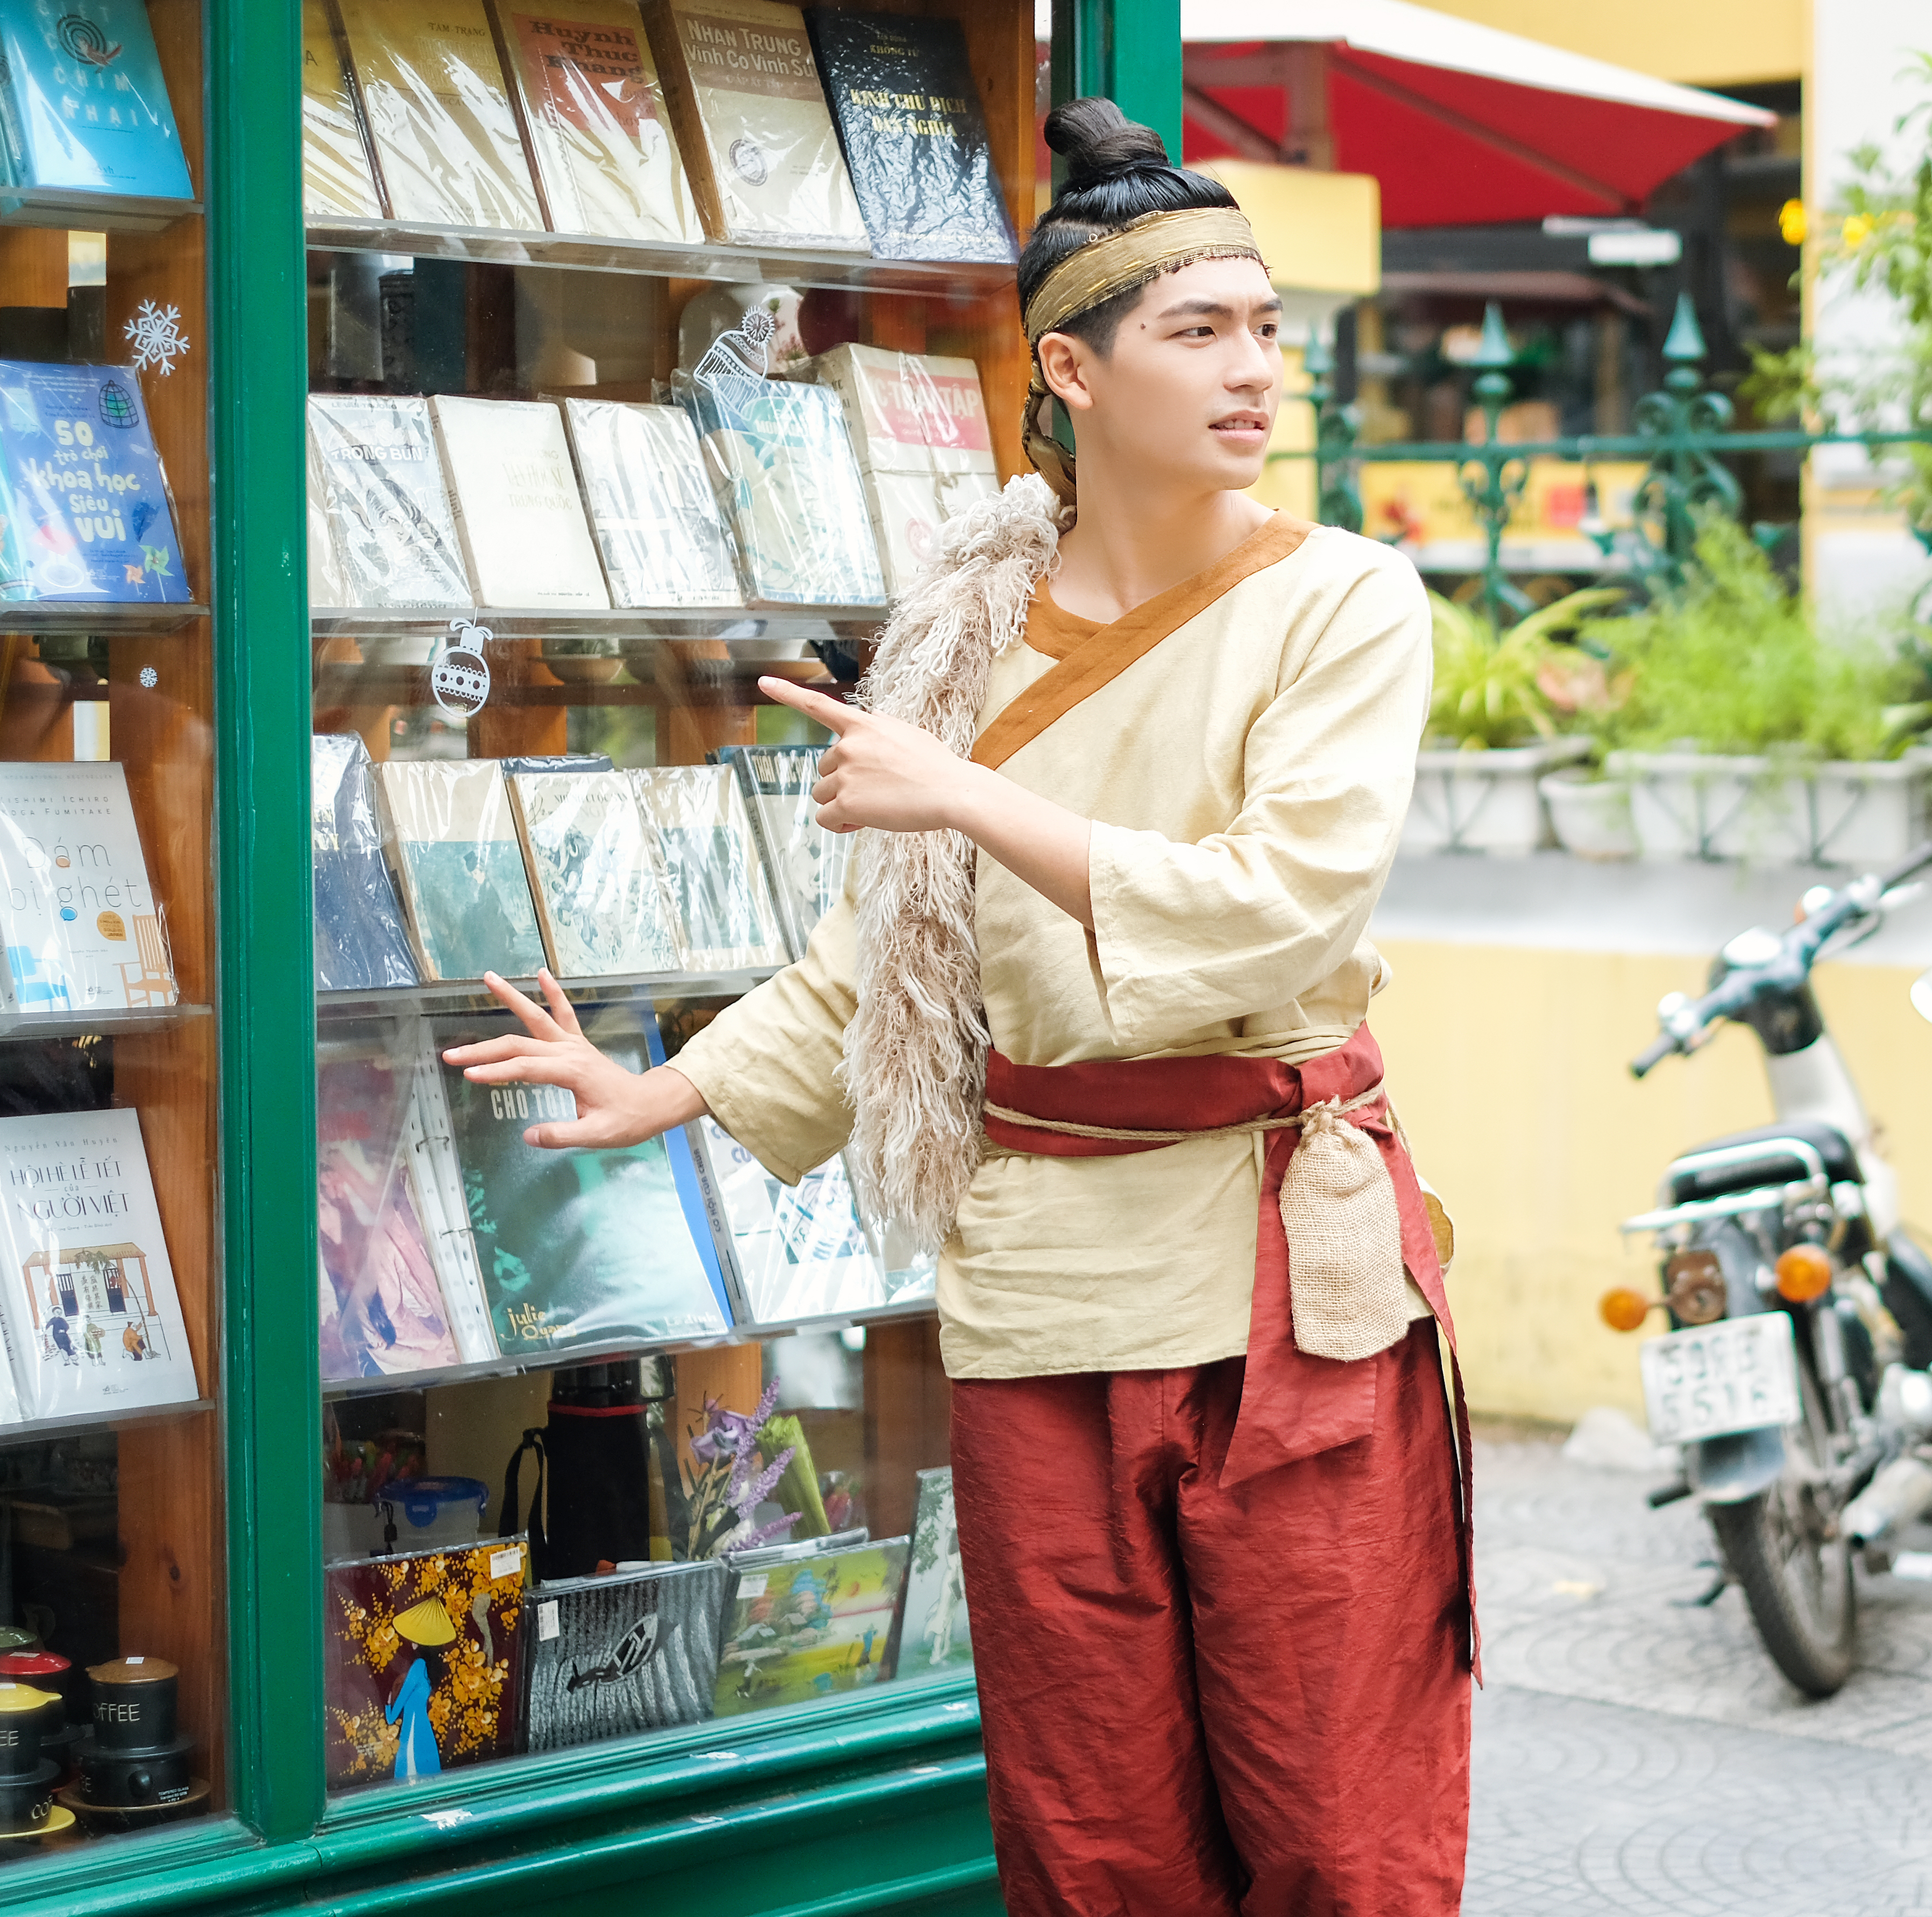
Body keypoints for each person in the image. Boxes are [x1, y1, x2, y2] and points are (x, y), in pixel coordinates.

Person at [438, 99, 1467, 1916]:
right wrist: (660, 1086)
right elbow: (889, 951)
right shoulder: (966, 630)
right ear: (1068, 366)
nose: (1253, 372)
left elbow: (1274, 910)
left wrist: (964, 791)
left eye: (1266, 329)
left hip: (1276, 1273)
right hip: (1041, 1273)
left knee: (1331, 1820)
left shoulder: (1345, 602)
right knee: (1091, 1831)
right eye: (1197, 331)